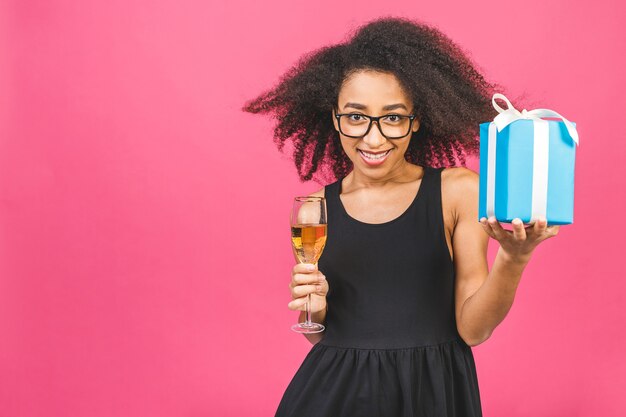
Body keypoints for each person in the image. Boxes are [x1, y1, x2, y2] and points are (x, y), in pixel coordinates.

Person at [242, 17, 559, 417]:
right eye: (356, 117)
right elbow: (322, 336)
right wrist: (316, 307)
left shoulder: (457, 191)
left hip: (433, 393)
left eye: (392, 117)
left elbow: (473, 330)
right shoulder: (315, 207)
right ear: (334, 117)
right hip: (333, 394)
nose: (373, 139)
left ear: (418, 119)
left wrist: (514, 259)